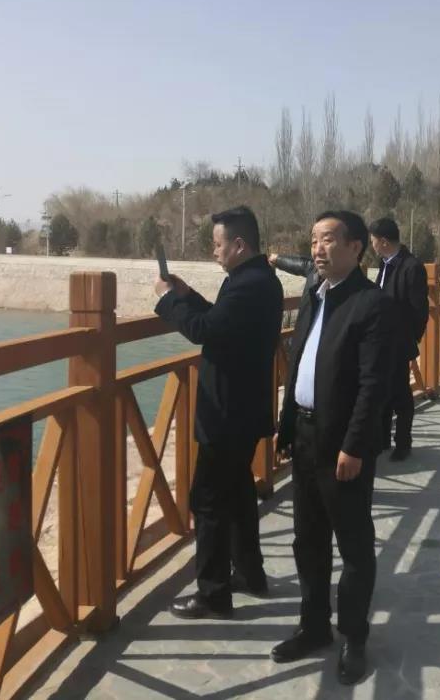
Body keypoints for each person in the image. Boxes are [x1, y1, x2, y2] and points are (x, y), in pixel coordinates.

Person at [272, 210, 396, 685]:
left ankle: (354, 638)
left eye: (327, 240)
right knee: (308, 540)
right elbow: (298, 364)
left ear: (355, 248)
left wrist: (355, 446)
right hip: (305, 436)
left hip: (342, 445)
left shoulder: (371, 304)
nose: (317, 249)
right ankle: (313, 626)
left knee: (354, 546)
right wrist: (286, 426)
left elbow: (373, 386)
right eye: (313, 240)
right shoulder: (314, 294)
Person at [154, 207, 283, 619]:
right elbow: (220, 320)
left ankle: (213, 594)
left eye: (217, 244)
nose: (214, 251)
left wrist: (167, 301)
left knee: (207, 500)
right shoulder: (256, 279)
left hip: (228, 412)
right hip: (242, 409)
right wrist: (186, 294)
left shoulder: (248, 285)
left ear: (239, 245)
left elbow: (204, 330)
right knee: (239, 493)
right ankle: (249, 573)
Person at [368, 217, 429, 461]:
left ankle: (403, 442)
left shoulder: (411, 267)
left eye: (373, 240)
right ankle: (382, 438)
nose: (372, 245)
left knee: (401, 394)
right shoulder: (384, 264)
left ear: (383, 241)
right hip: (379, 341)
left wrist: (409, 339)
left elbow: (419, 310)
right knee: (380, 391)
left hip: (399, 342)